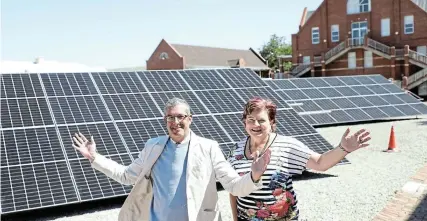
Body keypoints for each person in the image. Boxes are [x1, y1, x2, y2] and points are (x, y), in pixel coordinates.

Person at [72, 97, 271, 221]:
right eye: (170, 118)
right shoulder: (153, 146)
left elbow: (234, 185)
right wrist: (95, 158)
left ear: (190, 119)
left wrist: (254, 176)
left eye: (180, 117)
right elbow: (127, 176)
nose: (175, 122)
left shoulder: (208, 147)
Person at [228, 97, 371, 221]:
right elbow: (233, 189)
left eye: (261, 120)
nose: (256, 125)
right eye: (251, 120)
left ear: (271, 122)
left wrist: (343, 149)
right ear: (245, 123)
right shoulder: (236, 151)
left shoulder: (287, 145)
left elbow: (320, 163)